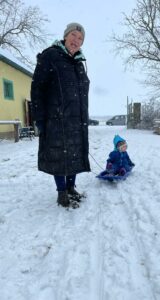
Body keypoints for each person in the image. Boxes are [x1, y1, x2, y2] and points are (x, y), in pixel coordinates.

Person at [31, 22, 90, 207]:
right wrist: (39, 119)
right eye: (73, 35)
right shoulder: (50, 56)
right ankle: (61, 192)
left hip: (76, 120)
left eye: (80, 38)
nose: (76, 40)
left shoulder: (79, 63)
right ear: (65, 36)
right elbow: (37, 89)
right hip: (55, 119)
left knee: (74, 154)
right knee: (58, 155)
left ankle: (71, 188)